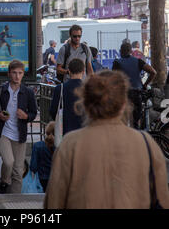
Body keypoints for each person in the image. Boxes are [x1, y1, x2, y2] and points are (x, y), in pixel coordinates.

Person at [44, 70, 169, 209]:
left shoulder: (70, 144)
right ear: (123, 104)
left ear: (85, 104)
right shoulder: (146, 144)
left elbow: (54, 202)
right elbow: (162, 199)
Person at [0, 59, 37, 194]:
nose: (17, 76)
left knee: (18, 171)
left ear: (23, 74)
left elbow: (34, 113)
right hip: (3, 132)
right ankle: (4, 182)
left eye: (20, 73)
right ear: (9, 74)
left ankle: (15, 199)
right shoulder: (0, 90)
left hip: (20, 134)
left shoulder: (28, 92)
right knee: (8, 162)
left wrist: (26, 116)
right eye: (14, 73)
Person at [112, 42, 157, 128]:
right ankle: (136, 138)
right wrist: (145, 84)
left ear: (121, 51)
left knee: (123, 122)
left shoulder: (117, 63)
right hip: (137, 95)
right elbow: (153, 72)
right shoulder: (138, 61)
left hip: (123, 96)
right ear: (131, 51)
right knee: (135, 122)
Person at [50, 58, 84, 136]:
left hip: (65, 131)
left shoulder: (60, 88)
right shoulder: (89, 88)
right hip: (84, 132)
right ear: (83, 71)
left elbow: (53, 111)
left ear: (68, 71)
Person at [29, 121, 55, 192]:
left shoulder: (37, 146)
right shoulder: (60, 146)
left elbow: (33, 167)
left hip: (42, 179)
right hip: (56, 178)